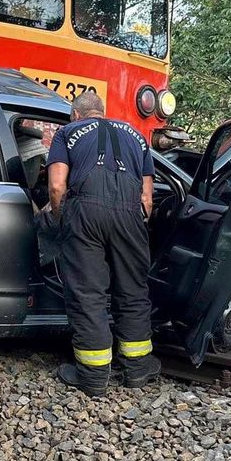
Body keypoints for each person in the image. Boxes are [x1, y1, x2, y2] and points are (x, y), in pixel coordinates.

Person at [47, 91, 160, 395]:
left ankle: (93, 378)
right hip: (129, 216)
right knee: (134, 292)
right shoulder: (136, 137)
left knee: (88, 293)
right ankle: (137, 371)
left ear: (76, 114)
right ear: (102, 112)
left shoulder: (67, 133)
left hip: (85, 213)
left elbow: (57, 186)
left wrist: (61, 218)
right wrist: (132, 226)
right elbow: (147, 199)